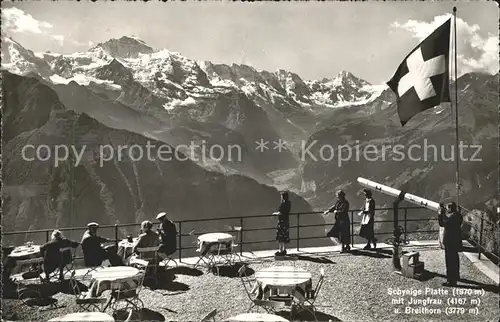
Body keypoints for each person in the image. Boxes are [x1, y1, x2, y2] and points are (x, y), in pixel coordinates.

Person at [438, 202, 463, 287]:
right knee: (455, 260)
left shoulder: (453, 217)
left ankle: (451, 281)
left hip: (450, 242)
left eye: (447, 208)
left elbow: (444, 223)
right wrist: (442, 214)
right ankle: (456, 276)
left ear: (451, 208)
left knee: (450, 261)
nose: (446, 209)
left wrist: (441, 214)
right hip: (454, 241)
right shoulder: (458, 215)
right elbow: (444, 223)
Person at [273, 191, 291, 256]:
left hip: (281, 222)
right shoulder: (289, 203)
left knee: (280, 236)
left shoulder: (283, 204)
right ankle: (284, 250)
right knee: (285, 235)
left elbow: (280, 212)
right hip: (286, 221)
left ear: (283, 197)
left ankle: (280, 251)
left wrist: (275, 213)